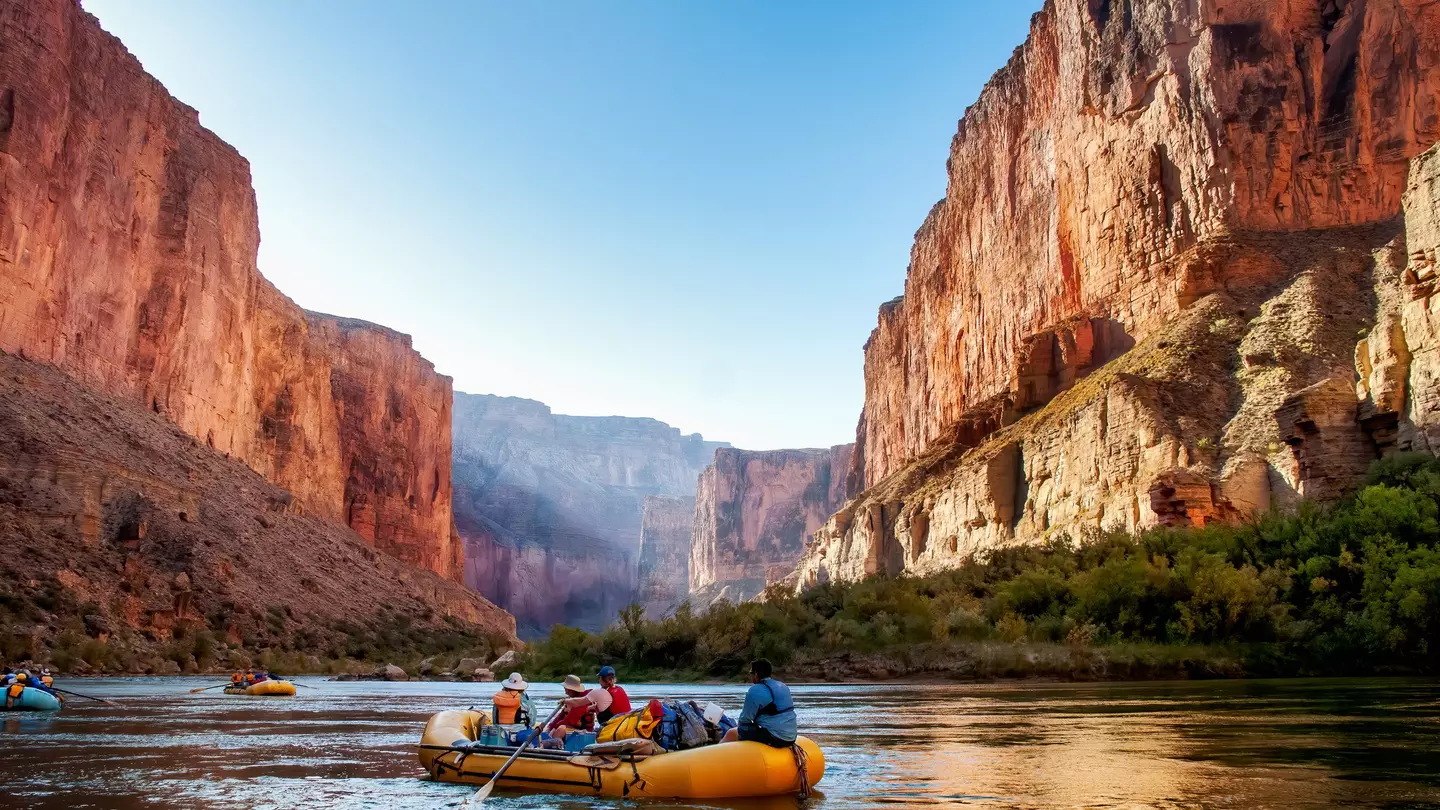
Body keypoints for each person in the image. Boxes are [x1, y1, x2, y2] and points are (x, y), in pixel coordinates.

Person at [721, 658, 796, 748]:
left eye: (752, 674)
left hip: (775, 738)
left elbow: (745, 720)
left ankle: (718, 754)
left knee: (734, 732)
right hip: (791, 737)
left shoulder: (755, 690)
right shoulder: (782, 686)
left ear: (756, 674)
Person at [547, 674, 610, 742]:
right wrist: (550, 727)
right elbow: (561, 716)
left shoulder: (585, 700)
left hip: (585, 732)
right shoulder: (572, 700)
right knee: (550, 728)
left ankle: (551, 746)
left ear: (572, 689)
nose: (566, 691)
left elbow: (570, 718)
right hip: (572, 729)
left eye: (567, 689)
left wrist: (555, 728)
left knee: (560, 729)